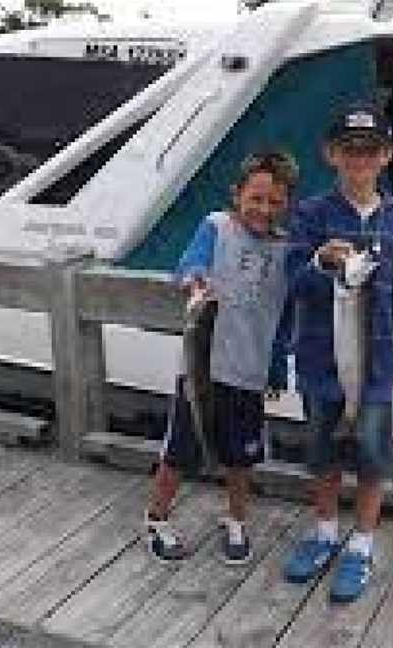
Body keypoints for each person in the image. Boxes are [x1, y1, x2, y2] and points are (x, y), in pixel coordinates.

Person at [282, 104, 393, 602]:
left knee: (371, 456)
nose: (359, 159)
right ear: (331, 154)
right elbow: (294, 281)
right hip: (321, 364)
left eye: (369, 150)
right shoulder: (311, 214)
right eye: (349, 150)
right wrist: (322, 260)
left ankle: (361, 545)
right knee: (322, 454)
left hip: (377, 367)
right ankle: (324, 534)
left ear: (386, 156)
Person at [143, 150, 298, 565]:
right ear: (238, 195)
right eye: (256, 198)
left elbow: (283, 318)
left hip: (250, 372)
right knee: (180, 449)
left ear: (286, 204)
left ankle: (236, 518)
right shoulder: (217, 226)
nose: (264, 209)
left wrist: (278, 365)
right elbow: (188, 264)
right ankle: (157, 518)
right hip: (202, 370)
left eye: (275, 202)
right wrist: (195, 280)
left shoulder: (286, 251)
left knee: (241, 455)